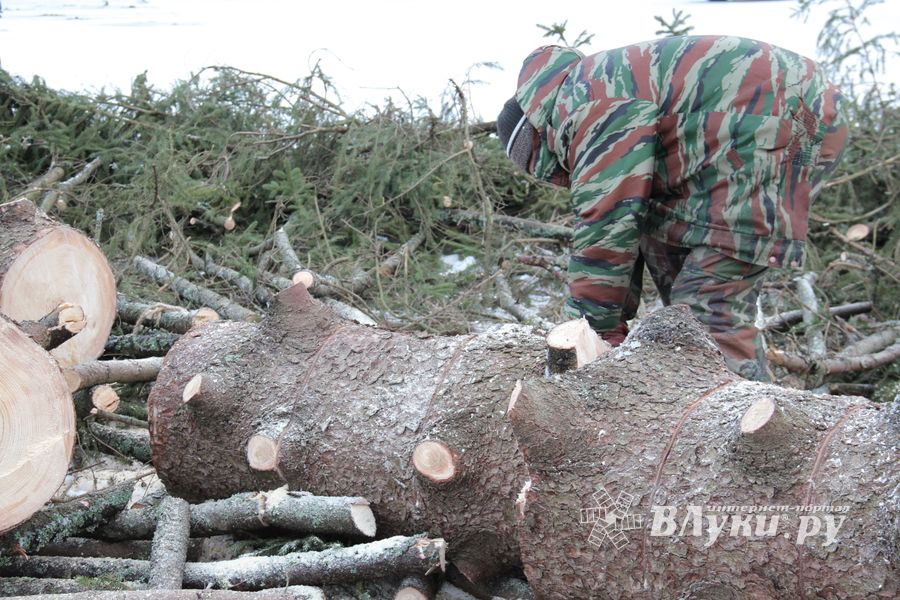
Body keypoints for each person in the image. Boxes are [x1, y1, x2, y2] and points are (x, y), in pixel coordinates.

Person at [496, 35, 848, 381]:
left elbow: (608, 221)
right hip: (774, 124)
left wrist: (587, 332)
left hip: (772, 124)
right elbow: (629, 220)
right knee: (674, 286)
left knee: (704, 315)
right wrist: (608, 327)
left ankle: (739, 428)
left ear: (533, 142)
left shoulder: (584, 100)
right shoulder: (585, 89)